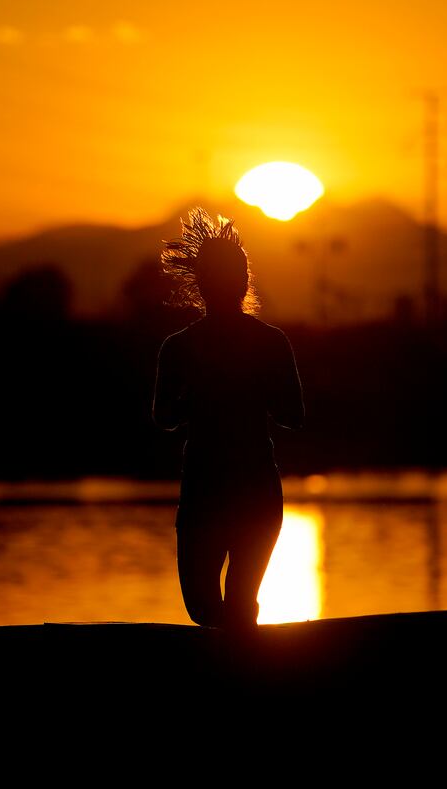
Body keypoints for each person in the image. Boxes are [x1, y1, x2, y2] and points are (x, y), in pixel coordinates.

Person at [153, 208, 304, 630]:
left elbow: (164, 418)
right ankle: (246, 671)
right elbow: (294, 416)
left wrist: (215, 393)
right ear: (241, 281)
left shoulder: (183, 347)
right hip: (238, 490)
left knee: (218, 607)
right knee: (223, 607)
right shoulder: (265, 343)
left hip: (220, 491)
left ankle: (239, 677)